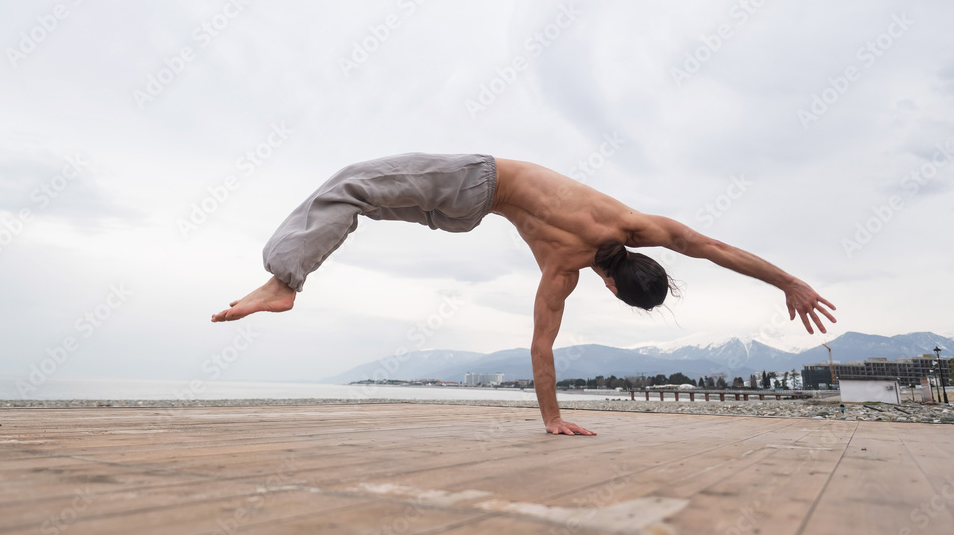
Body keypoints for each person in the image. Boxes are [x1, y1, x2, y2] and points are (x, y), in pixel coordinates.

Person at [211, 153, 836, 436]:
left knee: (349, 183)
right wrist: (552, 419)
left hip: (476, 182)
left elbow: (713, 247)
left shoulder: (636, 225)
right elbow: (541, 349)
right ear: (615, 284)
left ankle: (282, 283)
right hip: (463, 212)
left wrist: (791, 282)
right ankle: (285, 282)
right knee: (356, 197)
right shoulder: (563, 273)